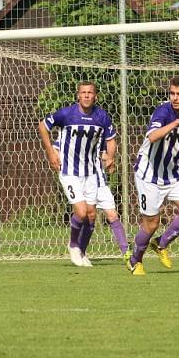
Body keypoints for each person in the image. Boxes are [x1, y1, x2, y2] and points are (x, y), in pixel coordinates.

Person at [126, 75, 179, 276]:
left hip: (172, 173)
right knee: (151, 223)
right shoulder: (163, 111)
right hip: (149, 175)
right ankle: (135, 261)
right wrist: (178, 122)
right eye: (172, 93)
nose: (175, 98)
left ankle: (161, 243)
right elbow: (153, 136)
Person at [38, 81, 117, 267]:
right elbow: (43, 126)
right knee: (81, 212)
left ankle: (82, 251)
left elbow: (111, 139)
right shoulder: (66, 114)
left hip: (90, 173)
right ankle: (73, 245)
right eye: (83, 92)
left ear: (95, 96)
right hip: (69, 171)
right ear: (78, 95)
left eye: (90, 92)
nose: (87, 95)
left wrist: (111, 157)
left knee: (91, 216)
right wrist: (50, 152)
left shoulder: (101, 116)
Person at [50, 136, 130, 263]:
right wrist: (60, 162)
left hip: (101, 183)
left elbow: (103, 155)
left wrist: (109, 161)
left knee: (113, 215)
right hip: (84, 181)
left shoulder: (99, 134)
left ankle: (127, 253)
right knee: (89, 216)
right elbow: (55, 148)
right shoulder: (74, 131)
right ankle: (79, 251)